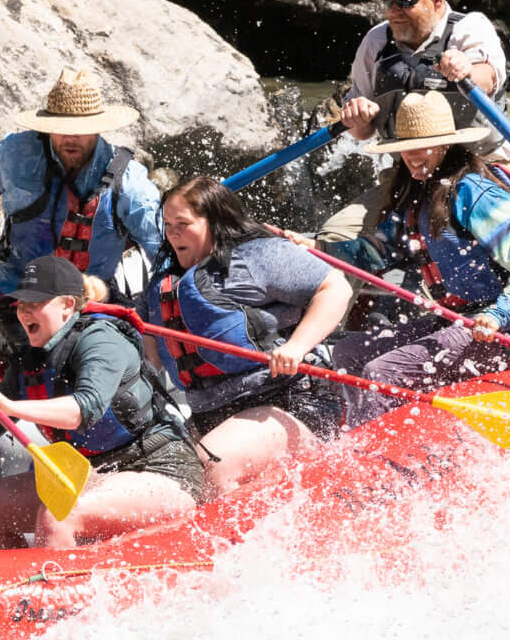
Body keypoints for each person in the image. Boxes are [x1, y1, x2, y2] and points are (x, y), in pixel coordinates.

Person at [0, 254, 205, 549]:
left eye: (35, 304)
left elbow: (84, 409)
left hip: (157, 469)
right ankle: (20, 586)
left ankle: (47, 592)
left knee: (59, 516)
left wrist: (11, 406)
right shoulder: (29, 359)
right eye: (21, 305)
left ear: (66, 305)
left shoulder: (102, 340)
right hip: (89, 474)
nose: (24, 314)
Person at [140, 174, 352, 497]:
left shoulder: (256, 256)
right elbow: (150, 354)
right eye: (168, 225)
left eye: (183, 223)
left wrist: (296, 347)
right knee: (166, 482)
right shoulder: (164, 286)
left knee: (212, 465)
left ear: (213, 221)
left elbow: (336, 287)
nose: (173, 234)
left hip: (289, 400)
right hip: (209, 413)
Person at [330, 93, 510, 402]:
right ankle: (355, 428)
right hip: (452, 320)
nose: (413, 156)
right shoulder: (414, 192)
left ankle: (374, 443)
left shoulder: (475, 192)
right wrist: (313, 247)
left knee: (381, 372)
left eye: (423, 147)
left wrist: (499, 314)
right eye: (406, 149)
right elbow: (378, 252)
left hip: (499, 329)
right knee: (347, 352)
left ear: (447, 145)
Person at [0, 68, 164, 350]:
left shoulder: (129, 182)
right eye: (61, 128)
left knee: (117, 362)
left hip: (91, 303)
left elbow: (162, 247)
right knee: (39, 357)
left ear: (97, 128)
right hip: (11, 298)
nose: (70, 138)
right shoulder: (14, 154)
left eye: (80, 131)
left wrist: (156, 304)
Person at [336, 0, 510, 144]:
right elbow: (362, 133)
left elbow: (487, 80)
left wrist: (467, 71)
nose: (393, 11)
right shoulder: (375, 41)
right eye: (388, 1)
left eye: (405, 1)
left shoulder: (470, 27)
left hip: (481, 161)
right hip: (411, 165)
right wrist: (357, 118)